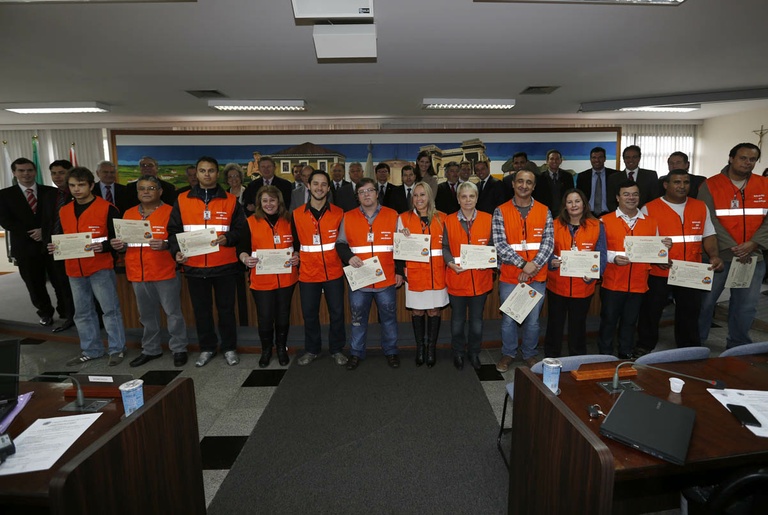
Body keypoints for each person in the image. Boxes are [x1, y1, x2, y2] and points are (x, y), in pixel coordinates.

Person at [168, 156, 247, 367]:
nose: (207, 174)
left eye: (211, 170)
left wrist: (228, 238)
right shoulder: (182, 199)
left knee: (226, 311)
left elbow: (241, 230)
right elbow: (173, 231)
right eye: (202, 171)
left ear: (217, 173)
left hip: (224, 266)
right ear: (196, 173)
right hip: (194, 266)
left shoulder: (230, 200)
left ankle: (229, 348)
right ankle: (207, 348)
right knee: (201, 311)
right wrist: (176, 251)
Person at [634, 170, 722, 356]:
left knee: (690, 310)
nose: (682, 186)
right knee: (651, 310)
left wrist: (714, 256)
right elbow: (644, 241)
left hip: (690, 268)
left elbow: (709, 235)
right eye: (677, 182)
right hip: (660, 270)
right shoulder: (649, 208)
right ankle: (645, 344)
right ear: (666, 185)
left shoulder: (700, 207)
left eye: (686, 182)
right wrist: (657, 259)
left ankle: (688, 347)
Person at [48, 166, 126, 366]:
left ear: (91, 186)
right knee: (82, 312)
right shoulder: (64, 210)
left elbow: (118, 240)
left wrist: (104, 246)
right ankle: (92, 350)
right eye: (72, 185)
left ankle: (117, 349)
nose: (76, 189)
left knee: (110, 310)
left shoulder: (107, 208)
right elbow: (62, 237)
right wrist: (55, 246)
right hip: (74, 269)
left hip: (100, 267)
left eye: (81, 185)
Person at [110, 175, 189, 367]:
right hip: (137, 272)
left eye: (151, 188)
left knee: (173, 313)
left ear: (160, 191)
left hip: (164, 271)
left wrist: (166, 245)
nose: (146, 192)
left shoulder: (170, 212)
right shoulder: (128, 213)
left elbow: (180, 239)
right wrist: (119, 245)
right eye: (142, 188)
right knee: (146, 315)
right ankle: (151, 349)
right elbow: (125, 244)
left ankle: (179, 348)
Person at [698, 142, 768, 349]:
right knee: (705, 303)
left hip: (753, 256)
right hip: (718, 256)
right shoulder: (710, 185)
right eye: (743, 158)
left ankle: (738, 345)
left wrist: (753, 243)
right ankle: (696, 343)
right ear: (731, 158)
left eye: (752, 159)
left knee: (745, 306)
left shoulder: (764, 184)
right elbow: (708, 219)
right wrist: (734, 246)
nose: (747, 163)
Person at [335, 177, 403, 370]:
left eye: (370, 190)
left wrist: (399, 271)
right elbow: (340, 244)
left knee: (389, 318)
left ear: (377, 193)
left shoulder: (392, 215)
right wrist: (348, 257)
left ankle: (391, 351)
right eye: (362, 192)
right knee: (357, 319)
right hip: (360, 279)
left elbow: (400, 246)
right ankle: (356, 353)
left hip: (386, 278)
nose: (366, 195)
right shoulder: (348, 216)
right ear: (357, 196)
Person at [493, 170, 554, 371]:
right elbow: (500, 244)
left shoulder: (544, 211)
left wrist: (531, 268)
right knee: (509, 319)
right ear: (513, 184)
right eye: (520, 181)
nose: (524, 186)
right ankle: (508, 353)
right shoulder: (500, 211)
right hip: (510, 277)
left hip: (536, 276)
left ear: (534, 187)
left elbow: (548, 243)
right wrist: (522, 264)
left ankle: (529, 354)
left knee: (533, 320)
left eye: (528, 182)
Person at [599, 181, 664, 359]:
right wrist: (613, 258)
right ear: (618, 197)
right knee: (608, 321)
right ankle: (604, 355)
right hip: (613, 282)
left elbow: (655, 251)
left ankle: (625, 353)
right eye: (626, 194)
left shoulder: (651, 222)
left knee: (630, 321)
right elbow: (599, 250)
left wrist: (663, 249)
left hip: (638, 282)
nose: (631, 198)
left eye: (635, 194)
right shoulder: (604, 221)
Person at [291, 169, 348, 366]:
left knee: (337, 314)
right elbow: (293, 243)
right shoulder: (296, 214)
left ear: (328, 188)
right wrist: (293, 254)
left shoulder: (339, 213)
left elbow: (344, 242)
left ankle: (337, 349)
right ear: (308, 186)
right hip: (308, 273)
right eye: (315, 183)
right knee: (309, 314)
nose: (319, 188)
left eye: (324, 184)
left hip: (333, 271)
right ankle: (312, 349)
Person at [238, 185, 298, 367]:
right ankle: (266, 350)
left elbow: (298, 245)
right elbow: (242, 249)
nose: (269, 204)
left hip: (286, 279)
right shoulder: (250, 222)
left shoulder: (290, 221)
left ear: (279, 201)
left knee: (283, 315)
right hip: (261, 280)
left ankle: (281, 348)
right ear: (259, 203)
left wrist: (297, 256)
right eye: (265, 200)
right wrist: (245, 258)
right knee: (265, 317)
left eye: (272, 200)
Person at [0, 158, 63, 328]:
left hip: (51, 245)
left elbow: (58, 216)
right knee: (34, 284)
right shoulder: (4, 195)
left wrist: (44, 231)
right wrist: (32, 232)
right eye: (21, 171)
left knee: (60, 281)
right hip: (25, 247)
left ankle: (65, 310)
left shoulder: (51, 192)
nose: (26, 174)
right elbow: (5, 221)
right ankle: (45, 313)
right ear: (14, 173)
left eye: (29, 170)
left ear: (35, 171)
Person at [544, 189, 607, 358]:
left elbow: (602, 253)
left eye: (577, 201)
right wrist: (551, 261)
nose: (573, 205)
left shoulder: (597, 225)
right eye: (569, 202)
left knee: (578, 325)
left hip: (583, 286)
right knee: (554, 324)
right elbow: (546, 250)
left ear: (584, 204)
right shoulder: (553, 224)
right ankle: (551, 357)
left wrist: (595, 273)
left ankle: (577, 357)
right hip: (557, 285)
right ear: (564, 205)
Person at [442, 181, 493, 370]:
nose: (468, 200)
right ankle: (458, 352)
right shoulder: (448, 220)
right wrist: (450, 263)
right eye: (463, 196)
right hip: (457, 279)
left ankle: (474, 353)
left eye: (471, 196)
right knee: (457, 322)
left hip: (480, 281)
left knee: (476, 323)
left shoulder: (488, 219)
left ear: (477, 198)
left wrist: (488, 260)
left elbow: (493, 246)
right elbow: (444, 247)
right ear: (458, 199)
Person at [398, 181, 447, 367]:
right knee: (417, 310)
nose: (419, 199)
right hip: (415, 274)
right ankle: (420, 348)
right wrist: (402, 237)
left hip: (437, 274)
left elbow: (449, 246)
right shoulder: (403, 219)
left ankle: (431, 348)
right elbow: (398, 250)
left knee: (434, 310)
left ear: (429, 196)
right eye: (416, 195)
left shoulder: (443, 218)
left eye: (422, 194)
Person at [47, 159, 75, 332]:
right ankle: (70, 316)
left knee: (79, 286)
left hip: (76, 246)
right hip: (56, 247)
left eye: (61, 173)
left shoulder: (79, 194)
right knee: (62, 285)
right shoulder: (50, 195)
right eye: (54, 173)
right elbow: (46, 221)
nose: (57, 177)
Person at [607, 145, 658, 211]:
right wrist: (621, 214)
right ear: (623, 159)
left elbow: (654, 199)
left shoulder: (651, 176)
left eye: (634, 157)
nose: (631, 160)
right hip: (620, 215)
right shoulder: (613, 178)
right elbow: (611, 201)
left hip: (645, 214)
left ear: (639, 158)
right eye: (627, 157)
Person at [576, 146, 618, 217]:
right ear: (590, 159)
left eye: (600, 157)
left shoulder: (615, 175)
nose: (597, 160)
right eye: (594, 157)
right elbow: (579, 197)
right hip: (588, 214)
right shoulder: (582, 176)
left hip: (610, 213)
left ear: (604, 159)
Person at [533, 149, 575, 215]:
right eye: (552, 159)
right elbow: (537, 198)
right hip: (545, 212)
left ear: (560, 161)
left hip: (564, 212)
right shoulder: (539, 178)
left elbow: (571, 194)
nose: (554, 161)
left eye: (557, 159)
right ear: (547, 161)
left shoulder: (568, 177)